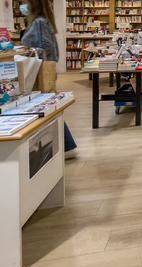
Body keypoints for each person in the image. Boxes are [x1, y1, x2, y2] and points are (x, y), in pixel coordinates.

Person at [20, 0, 78, 159]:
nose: (23, 5)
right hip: (41, 72)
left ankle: (65, 147)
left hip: (38, 73)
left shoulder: (39, 22)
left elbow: (45, 49)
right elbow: (53, 51)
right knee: (49, 108)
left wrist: (26, 51)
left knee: (46, 109)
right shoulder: (44, 22)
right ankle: (66, 146)